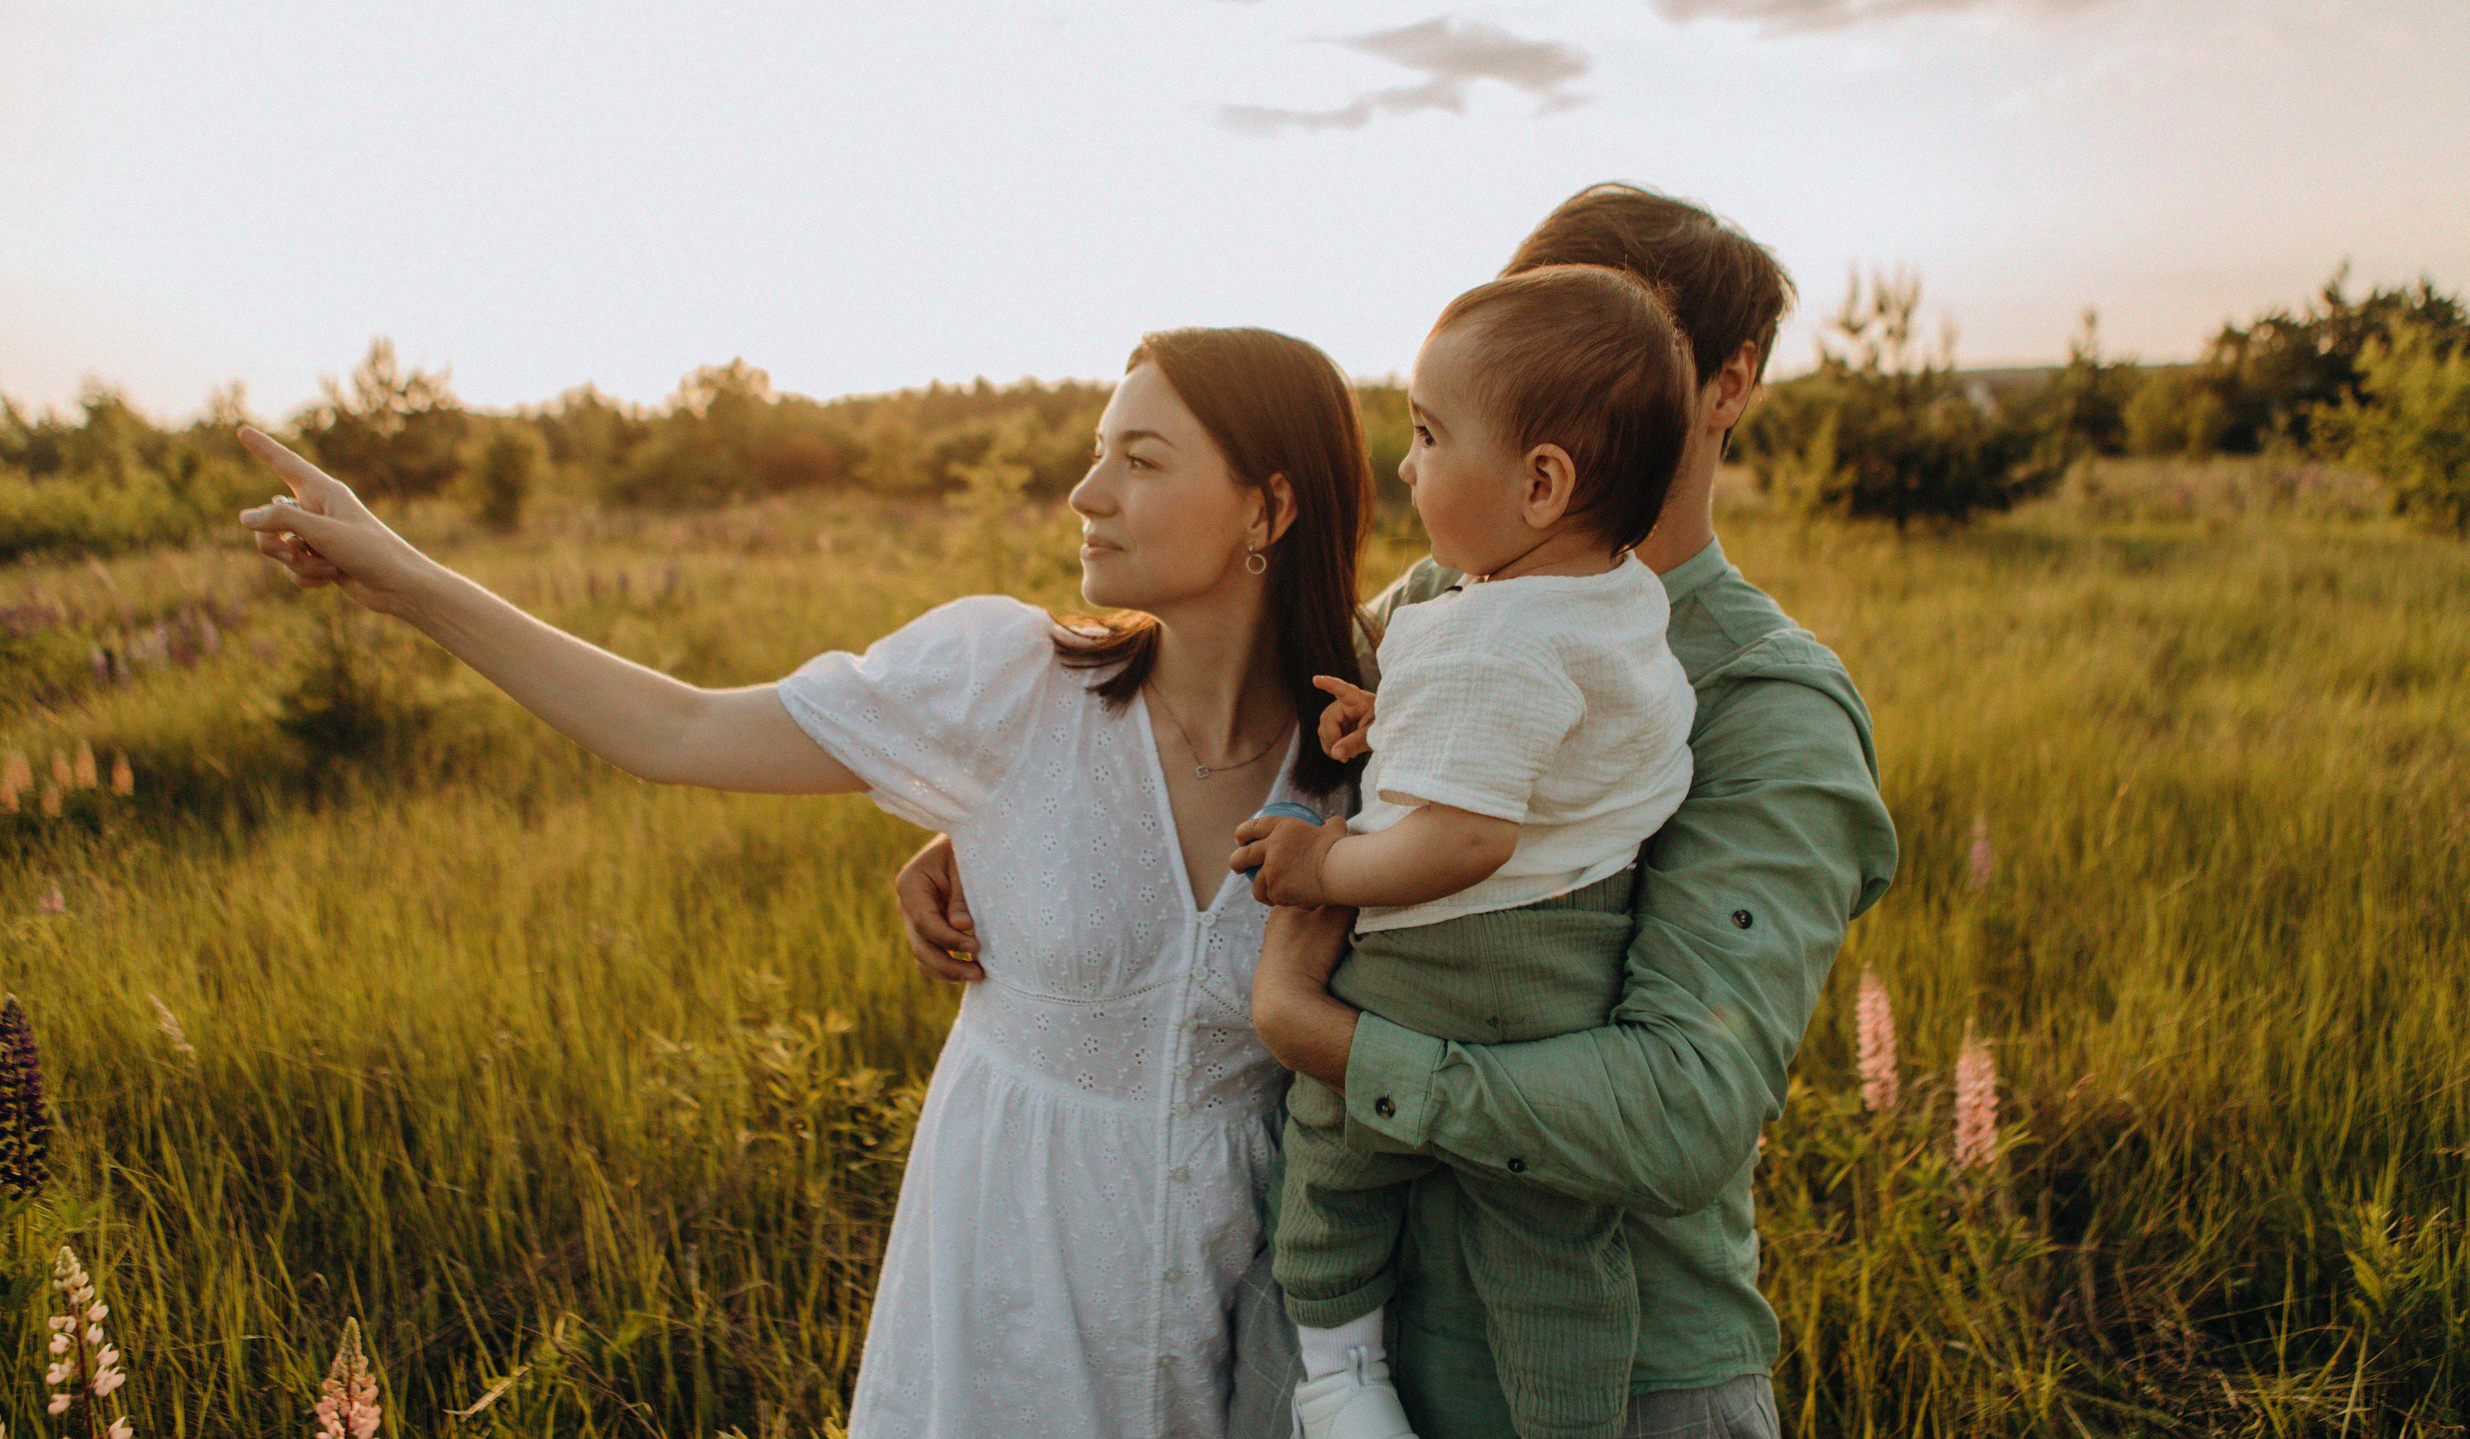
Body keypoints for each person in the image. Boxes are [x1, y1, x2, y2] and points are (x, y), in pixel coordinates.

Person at [235, 326, 1378, 1439]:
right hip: (1006, 1296)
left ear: (1268, 510)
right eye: (1096, 450)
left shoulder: (1376, 745)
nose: (1086, 492)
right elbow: (676, 731)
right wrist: (410, 579)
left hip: (1249, 1314)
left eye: (1139, 461)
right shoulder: (1009, 684)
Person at [898, 184, 1899, 1439]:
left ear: (1727, 384)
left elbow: (1685, 1104)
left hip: (1611, 1375)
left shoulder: (1765, 700)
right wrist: (1009, 819)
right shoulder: (1434, 599)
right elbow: (1232, 734)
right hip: (1330, 1326)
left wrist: (1326, 1043)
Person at [1231, 266, 1698, 1439]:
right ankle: (1571, 1416)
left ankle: (1339, 1379)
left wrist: (1320, 865)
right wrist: (1395, 726)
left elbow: (1468, 835)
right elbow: (1550, 759)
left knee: (1333, 1157)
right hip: (1566, 976)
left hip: (1442, 962)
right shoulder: (1619, 599)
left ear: (1541, 482)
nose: (1406, 465)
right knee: (1551, 1232)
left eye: (1429, 436)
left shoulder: (1485, 629)